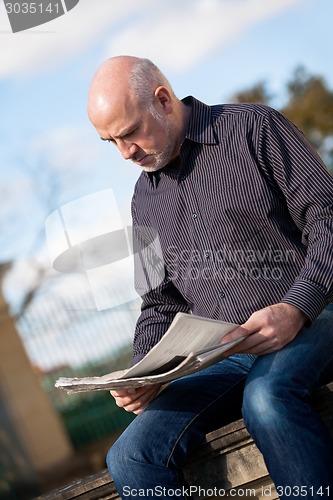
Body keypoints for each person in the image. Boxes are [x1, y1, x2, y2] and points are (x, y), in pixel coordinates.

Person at [87, 55, 333, 499]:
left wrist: (298, 305)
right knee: (129, 457)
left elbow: (326, 219)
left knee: (267, 399)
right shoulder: (143, 199)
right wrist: (145, 373)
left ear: (162, 100)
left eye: (128, 133)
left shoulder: (254, 127)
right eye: (111, 142)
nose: (125, 152)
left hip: (318, 317)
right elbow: (160, 302)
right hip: (225, 358)